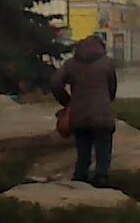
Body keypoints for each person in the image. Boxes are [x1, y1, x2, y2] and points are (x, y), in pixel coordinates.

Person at [50, 34, 120, 187]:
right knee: (103, 154)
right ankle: (102, 180)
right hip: (102, 116)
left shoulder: (71, 64)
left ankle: (80, 183)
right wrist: (106, 101)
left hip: (79, 116)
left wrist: (68, 102)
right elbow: (112, 89)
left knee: (83, 155)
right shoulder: (107, 63)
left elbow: (56, 83)